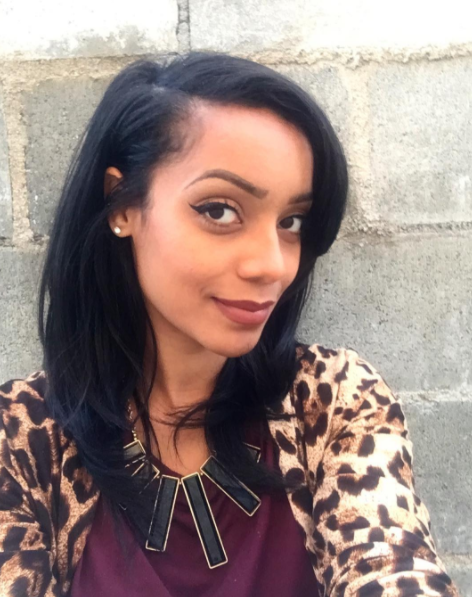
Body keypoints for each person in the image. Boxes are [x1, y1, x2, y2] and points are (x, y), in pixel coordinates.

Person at [0, 51, 459, 596]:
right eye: (220, 210)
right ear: (122, 205)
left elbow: (392, 567)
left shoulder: (332, 402)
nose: (272, 265)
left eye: (292, 221)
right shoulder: (23, 438)